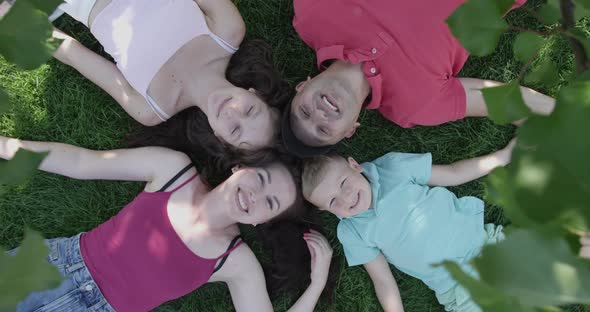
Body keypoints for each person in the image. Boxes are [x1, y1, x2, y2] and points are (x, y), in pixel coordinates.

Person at [0, 135, 333, 312]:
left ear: (266, 220)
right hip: (55, 266)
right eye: (259, 179)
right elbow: (81, 162)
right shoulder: (172, 169)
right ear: (239, 168)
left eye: (270, 203)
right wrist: (6, 146)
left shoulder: (236, 261)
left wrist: (316, 284)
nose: (255, 197)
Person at [282, 0, 555, 157]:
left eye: (304, 111)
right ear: (352, 128)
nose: (318, 115)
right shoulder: (416, 106)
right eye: (324, 130)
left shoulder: (311, 13)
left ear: (302, 86)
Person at [301, 140, 517, 311]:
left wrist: (503, 156)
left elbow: (453, 174)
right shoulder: (351, 232)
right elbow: (383, 280)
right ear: (325, 210)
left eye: (343, 183)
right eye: (332, 201)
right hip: (459, 288)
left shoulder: (393, 168)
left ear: (354, 165)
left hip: (484, 244)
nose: (346, 198)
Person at [49, 0, 289, 153]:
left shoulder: (151, 109)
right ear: (256, 94)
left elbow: (73, 54)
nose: (232, 112)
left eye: (235, 130)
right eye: (250, 111)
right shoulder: (228, 31)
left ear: (220, 138)